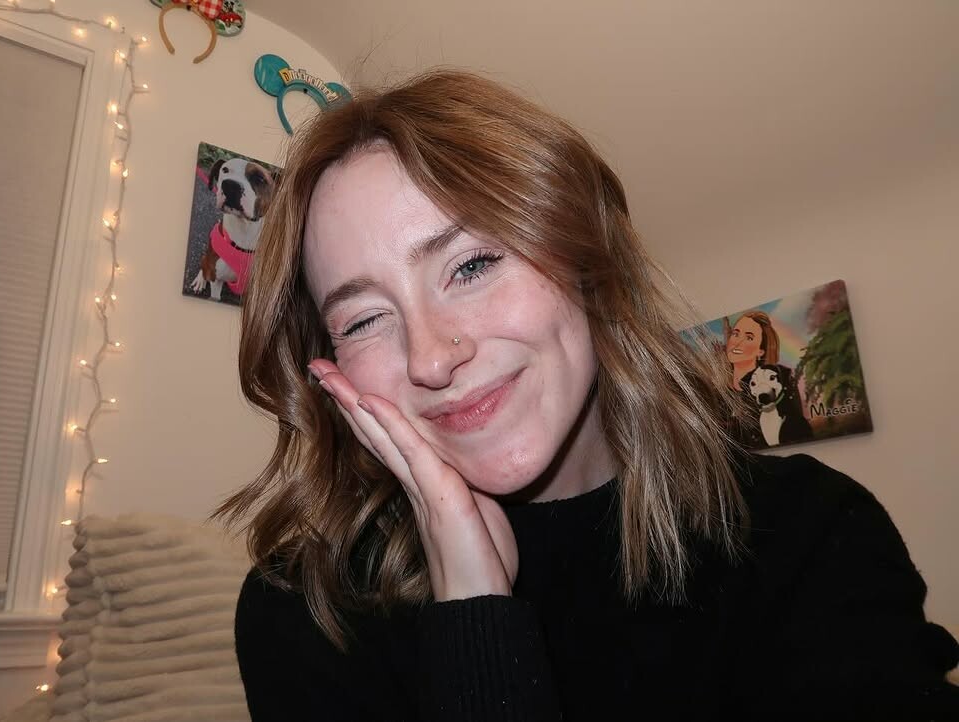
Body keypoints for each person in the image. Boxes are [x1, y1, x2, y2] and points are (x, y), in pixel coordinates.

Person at [211, 69, 959, 721]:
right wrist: (475, 615)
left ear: (586, 259)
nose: (432, 357)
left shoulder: (808, 535)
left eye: (471, 265)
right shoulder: (305, 612)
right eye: (365, 319)